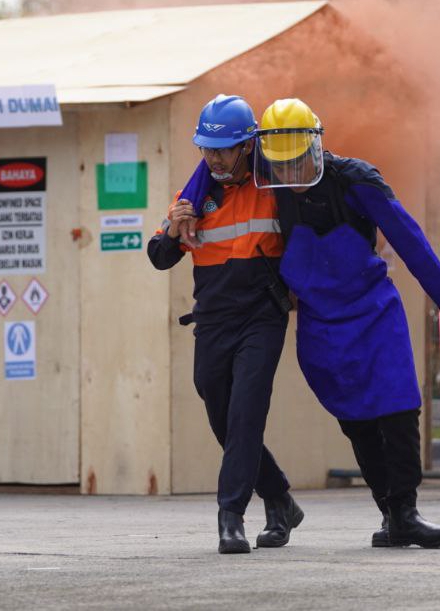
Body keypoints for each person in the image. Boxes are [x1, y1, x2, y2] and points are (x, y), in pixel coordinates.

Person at [252, 98, 440, 548]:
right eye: (281, 167)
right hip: (319, 324)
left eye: (297, 164)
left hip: (374, 313)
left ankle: (407, 509)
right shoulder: (267, 187)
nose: (290, 176)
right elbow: (214, 170)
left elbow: (409, 238)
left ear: (315, 147)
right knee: (355, 419)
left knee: (398, 405)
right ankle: (390, 515)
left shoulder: (356, 180)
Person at [147, 94, 302, 555]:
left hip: (262, 316)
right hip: (213, 320)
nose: (214, 158)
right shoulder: (194, 196)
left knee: (246, 412)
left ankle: (230, 517)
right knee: (222, 414)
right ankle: (279, 499)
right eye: (207, 149)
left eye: (224, 149)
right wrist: (175, 229)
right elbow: (158, 257)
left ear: (248, 145)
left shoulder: (274, 186)